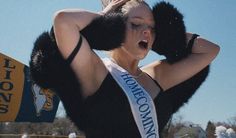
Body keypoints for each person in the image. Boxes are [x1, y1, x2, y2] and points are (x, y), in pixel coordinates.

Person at [30, 0, 220, 137]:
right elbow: (63, 21)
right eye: (136, 24)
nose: (146, 31)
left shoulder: (157, 74)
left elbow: (210, 50)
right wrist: (105, 20)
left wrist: (166, 39)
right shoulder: (96, 69)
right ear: (116, 26)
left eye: (152, 28)